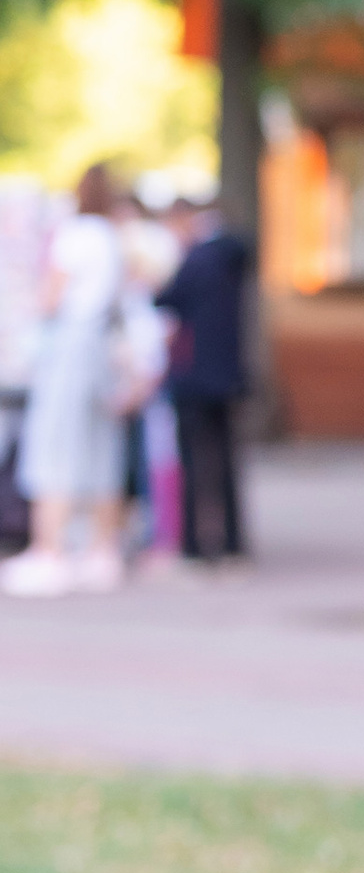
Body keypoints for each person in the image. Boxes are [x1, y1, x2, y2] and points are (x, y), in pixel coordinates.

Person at [3, 166, 134, 597]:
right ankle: (102, 551)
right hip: (100, 343)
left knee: (53, 446)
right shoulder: (112, 238)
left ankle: (50, 552)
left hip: (70, 344)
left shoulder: (75, 235)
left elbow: (51, 296)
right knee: (100, 449)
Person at [156, 198, 255, 564]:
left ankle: (195, 546)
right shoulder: (229, 257)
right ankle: (232, 543)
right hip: (226, 374)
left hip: (193, 373)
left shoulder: (195, 259)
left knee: (194, 462)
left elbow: (167, 298)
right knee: (226, 460)